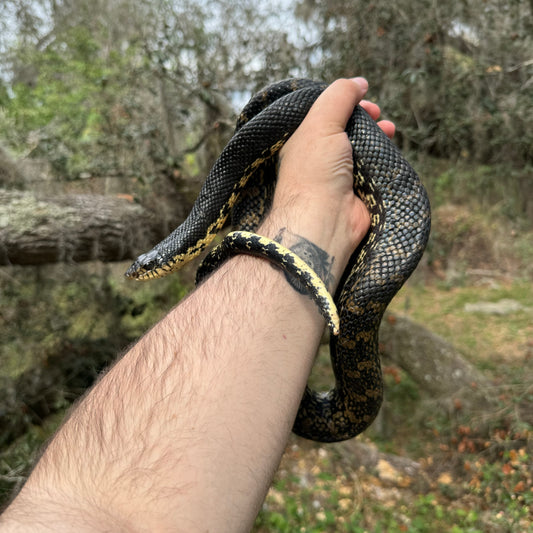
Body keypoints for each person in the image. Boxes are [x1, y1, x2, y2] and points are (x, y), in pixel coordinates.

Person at [0, 78, 395, 532]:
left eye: (146, 268)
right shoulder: (213, 218)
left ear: (168, 258)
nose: (141, 275)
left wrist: (313, 211)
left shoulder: (209, 219)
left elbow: (83, 507)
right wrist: (313, 213)